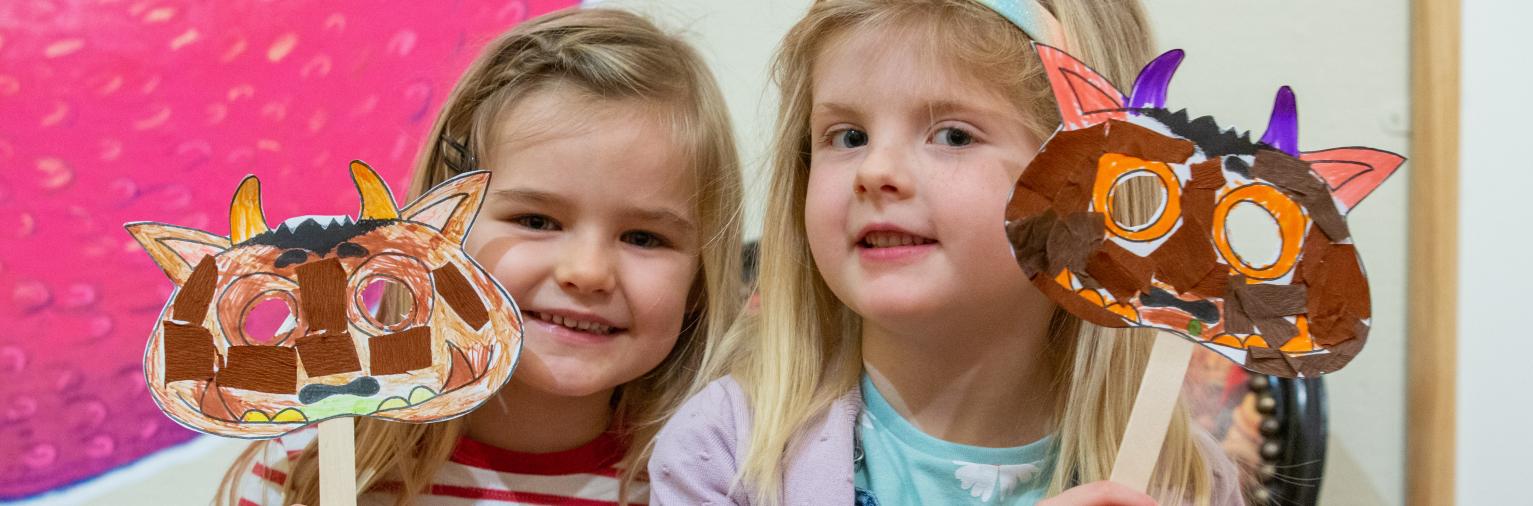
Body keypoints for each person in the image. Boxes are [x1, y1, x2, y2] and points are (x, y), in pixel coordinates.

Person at [649, 1, 1242, 504]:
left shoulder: (1181, 483)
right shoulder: (726, 450)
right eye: (848, 137)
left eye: (953, 135)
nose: (876, 170)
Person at [218, 7, 744, 505]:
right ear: (437, 235)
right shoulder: (305, 473)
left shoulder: (707, 483)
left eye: (644, 238)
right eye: (537, 221)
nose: (587, 272)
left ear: (701, 276)